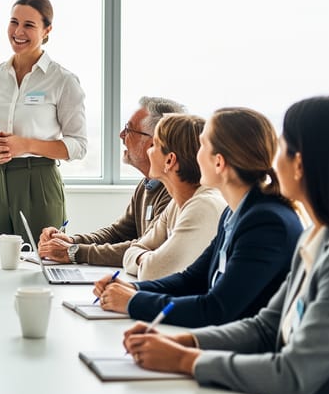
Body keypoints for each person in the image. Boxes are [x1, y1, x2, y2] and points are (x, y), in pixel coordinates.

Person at [122, 97, 329, 394]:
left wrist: (185, 360)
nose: (272, 161)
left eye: (281, 148)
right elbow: (266, 327)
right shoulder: (318, 238)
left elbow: (293, 374)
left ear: (300, 164)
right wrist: (184, 340)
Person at [95, 107, 303, 327]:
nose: (194, 153)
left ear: (219, 162)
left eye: (202, 145)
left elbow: (215, 309)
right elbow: (192, 280)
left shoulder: (266, 223)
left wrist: (134, 301)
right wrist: (132, 288)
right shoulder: (233, 213)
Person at [0, 0, 87, 251]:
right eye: (14, 22)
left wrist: (25, 145)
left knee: (42, 262)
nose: (18, 31)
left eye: (29, 25)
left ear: (47, 30)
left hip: (40, 181)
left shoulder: (63, 80)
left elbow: (78, 145)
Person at [47, 113, 224, 280]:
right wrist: (146, 257)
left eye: (154, 145)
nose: (149, 151)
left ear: (169, 161)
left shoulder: (201, 206)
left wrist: (144, 258)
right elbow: (134, 249)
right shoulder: (177, 204)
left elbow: (152, 270)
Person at [37, 96, 183, 266]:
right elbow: (118, 234)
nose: (121, 135)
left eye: (129, 129)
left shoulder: (173, 192)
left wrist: (74, 251)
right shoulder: (146, 185)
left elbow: (146, 247)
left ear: (152, 143)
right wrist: (69, 241)